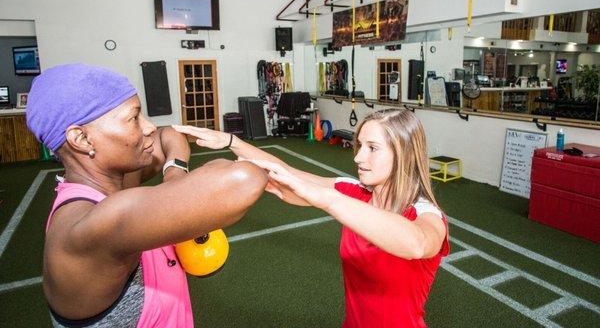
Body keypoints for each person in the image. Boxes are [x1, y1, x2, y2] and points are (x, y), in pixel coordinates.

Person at [26, 63, 268, 327]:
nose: (150, 127)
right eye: (133, 118)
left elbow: (170, 134)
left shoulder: (116, 180)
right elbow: (243, 180)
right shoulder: (86, 227)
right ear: (82, 139)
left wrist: (174, 174)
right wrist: (175, 187)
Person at [173, 108, 449, 328]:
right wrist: (232, 142)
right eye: (360, 145)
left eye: (372, 148)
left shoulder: (425, 212)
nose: (358, 157)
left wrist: (327, 198)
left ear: (403, 154)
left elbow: (418, 243)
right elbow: (287, 173)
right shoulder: (354, 192)